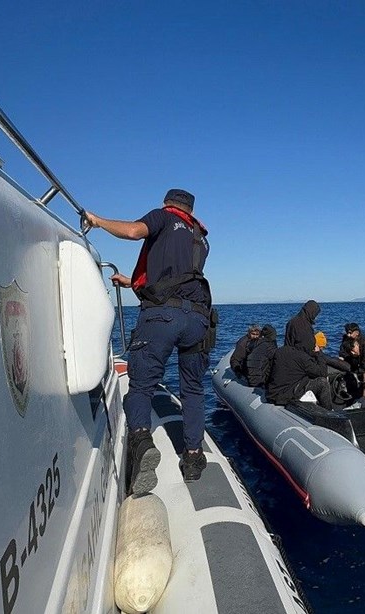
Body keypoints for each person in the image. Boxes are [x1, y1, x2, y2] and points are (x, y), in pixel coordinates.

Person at [81, 188, 214, 491]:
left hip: (162, 318)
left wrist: (97, 220)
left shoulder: (163, 218)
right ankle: (193, 459)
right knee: (193, 389)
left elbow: (132, 231)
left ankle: (142, 444)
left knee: (141, 386)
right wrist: (131, 282)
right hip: (198, 319)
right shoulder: (200, 239)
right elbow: (177, 278)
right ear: (190, 210)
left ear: (167, 204)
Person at [266, 328, 333, 409]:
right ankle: (328, 411)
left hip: (273, 393)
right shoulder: (303, 357)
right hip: (288, 394)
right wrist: (319, 354)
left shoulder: (280, 351)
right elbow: (322, 373)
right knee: (322, 383)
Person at [338, 323, 365, 397]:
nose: (348, 335)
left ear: (357, 333)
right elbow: (342, 352)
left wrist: (356, 372)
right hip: (355, 361)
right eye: (347, 332)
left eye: (350, 333)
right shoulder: (346, 340)